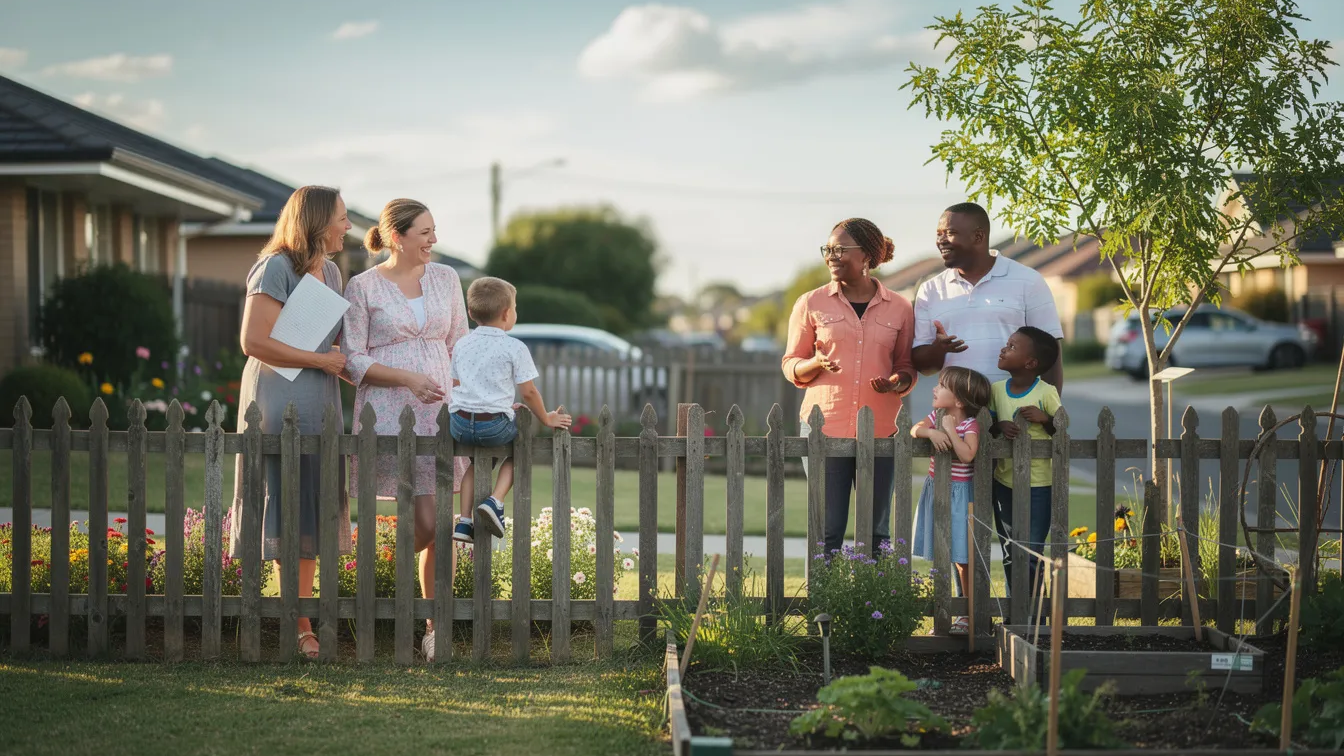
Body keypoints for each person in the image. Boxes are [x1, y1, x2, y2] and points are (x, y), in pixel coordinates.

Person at [341, 198, 470, 660]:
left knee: (439, 523)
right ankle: (378, 592)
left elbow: (459, 345)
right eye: (425, 233)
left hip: (440, 412)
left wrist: (478, 395)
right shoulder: (363, 287)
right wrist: (407, 378)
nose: (433, 240)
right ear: (397, 237)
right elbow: (352, 357)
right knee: (421, 520)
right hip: (388, 411)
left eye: (435, 231)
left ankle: (435, 627)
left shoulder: (446, 278)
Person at [229, 185, 351, 660]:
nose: (346, 226)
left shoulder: (335, 271)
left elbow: (322, 338)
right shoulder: (276, 266)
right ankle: (297, 624)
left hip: (320, 395)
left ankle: (299, 616)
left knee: (310, 506)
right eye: (341, 217)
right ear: (318, 221)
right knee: (284, 500)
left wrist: (332, 359)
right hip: (279, 396)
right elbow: (253, 341)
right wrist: (320, 361)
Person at [782, 218, 917, 556]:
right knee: (827, 528)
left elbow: (906, 367)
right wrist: (815, 364)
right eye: (828, 249)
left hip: (882, 429)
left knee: (876, 530)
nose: (831, 255)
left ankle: (874, 607)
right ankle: (825, 607)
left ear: (867, 258)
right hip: (824, 426)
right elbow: (790, 364)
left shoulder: (900, 307)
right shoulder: (810, 303)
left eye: (840, 249)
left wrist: (895, 382)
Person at [448, 277, 572, 543]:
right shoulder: (514, 347)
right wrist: (547, 417)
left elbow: (457, 385)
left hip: (459, 423)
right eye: (514, 307)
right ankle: (496, 500)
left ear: (471, 313)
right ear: (507, 314)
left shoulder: (461, 344)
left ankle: (464, 522)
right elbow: (528, 392)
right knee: (522, 448)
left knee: (476, 462)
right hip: (492, 425)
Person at [911, 202, 1064, 391]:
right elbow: (923, 367)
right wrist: (938, 349)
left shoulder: (1029, 281)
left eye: (950, 233)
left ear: (978, 236)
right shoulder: (930, 290)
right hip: (957, 414)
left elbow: (1050, 353)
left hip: (1015, 412)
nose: (941, 240)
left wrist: (1050, 410)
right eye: (939, 234)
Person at [910, 366, 991, 634]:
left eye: (941, 386)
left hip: (960, 496)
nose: (934, 388)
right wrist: (932, 432)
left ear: (958, 400)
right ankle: (946, 614)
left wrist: (949, 431)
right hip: (937, 490)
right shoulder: (936, 416)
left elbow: (967, 454)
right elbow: (914, 429)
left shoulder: (969, 424)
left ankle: (967, 615)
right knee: (942, 552)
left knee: (963, 558)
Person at [988, 326, 1062, 597]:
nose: (1003, 349)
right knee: (1010, 550)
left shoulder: (1046, 392)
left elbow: (1062, 432)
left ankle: (1035, 616)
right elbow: (988, 426)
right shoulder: (996, 390)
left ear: (1031, 363)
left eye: (1012, 346)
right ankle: (1016, 612)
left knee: (1030, 551)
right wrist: (1000, 426)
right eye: (1007, 343)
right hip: (1003, 483)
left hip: (1039, 485)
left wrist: (1047, 420)